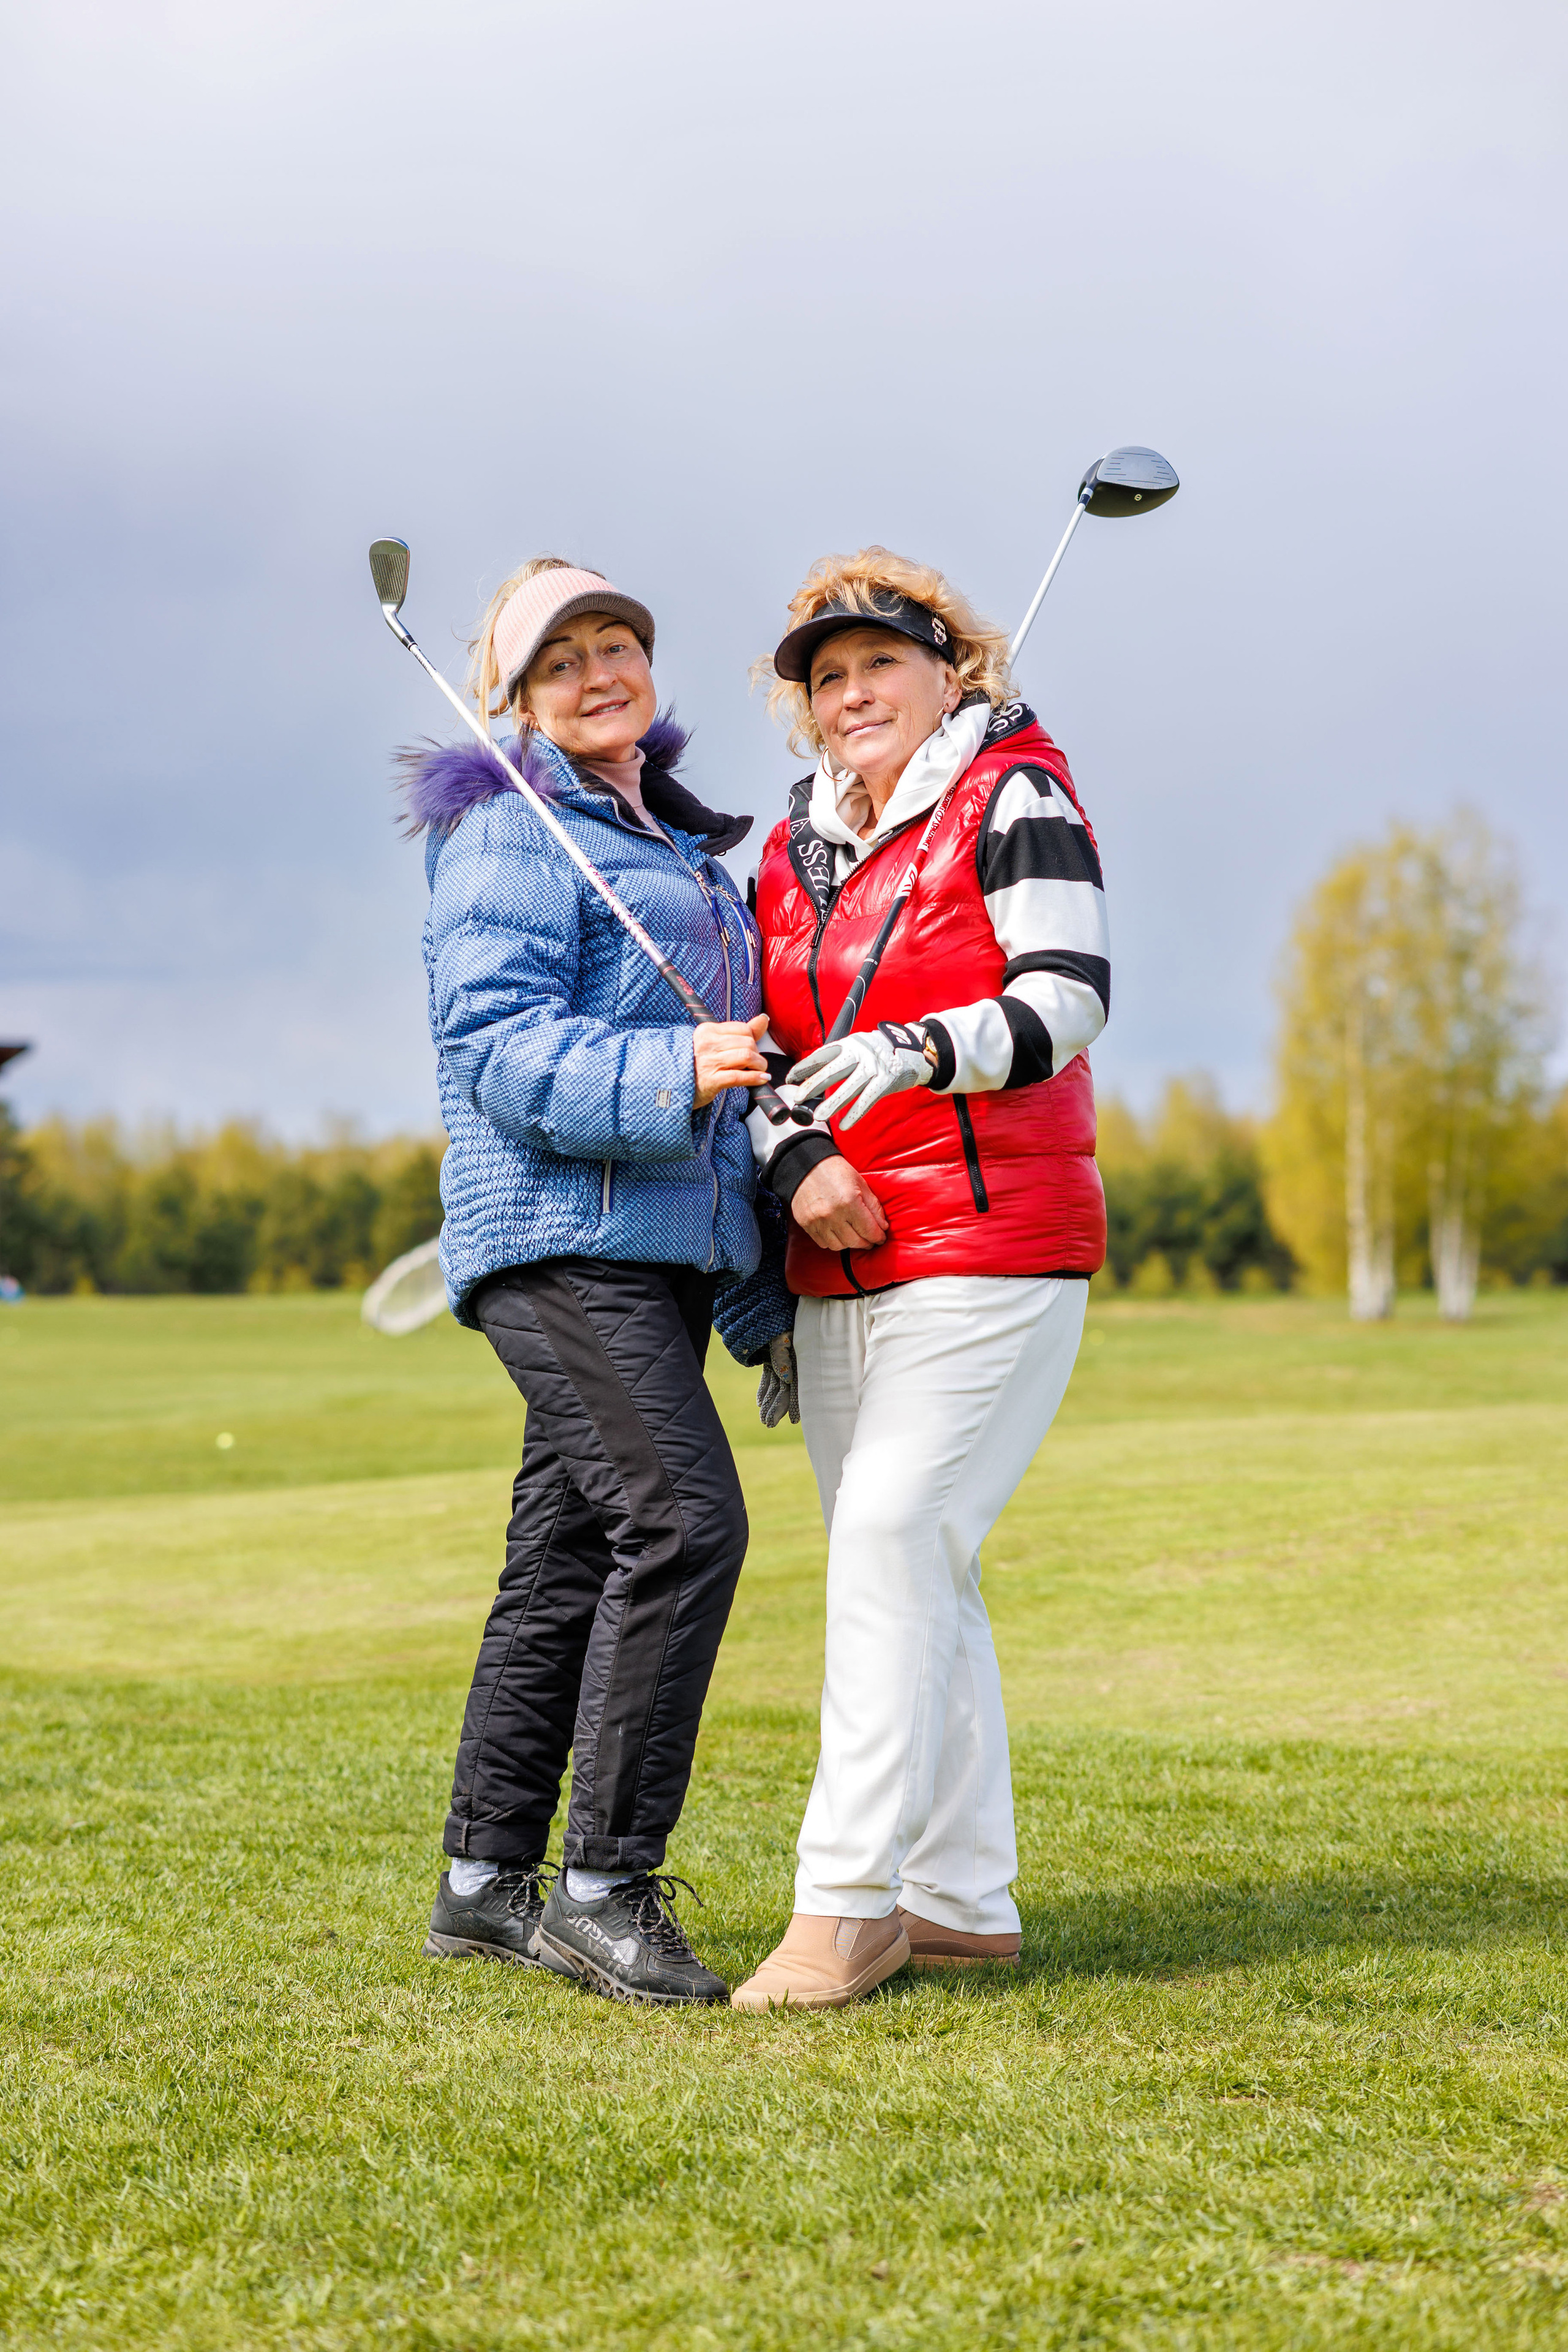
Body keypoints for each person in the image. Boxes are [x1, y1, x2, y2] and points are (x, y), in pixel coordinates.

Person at [718, 548, 1109, 2011]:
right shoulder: (786, 854)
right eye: (823, 678)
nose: (848, 695)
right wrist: (790, 1153)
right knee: (914, 1568)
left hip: (994, 1241)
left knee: (889, 1536)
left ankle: (846, 1906)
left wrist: (917, 1047)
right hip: (837, 1259)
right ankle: (963, 1899)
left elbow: (1069, 993)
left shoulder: (1012, 795)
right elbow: (749, 1050)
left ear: (953, 668)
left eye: (877, 662)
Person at [402, 556, 771, 2007]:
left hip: (659, 1243)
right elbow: (494, 1047)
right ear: (517, 700)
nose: (601, 670)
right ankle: (605, 1890)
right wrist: (677, 1063)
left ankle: (485, 1884)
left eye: (618, 642)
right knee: (683, 1523)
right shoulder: (509, 833)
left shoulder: (667, 846)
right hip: (560, 1234)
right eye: (563, 660)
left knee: (562, 1560)